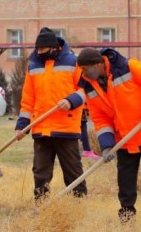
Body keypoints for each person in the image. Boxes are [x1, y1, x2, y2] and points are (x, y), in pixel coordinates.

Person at [76, 47, 141, 232]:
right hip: (123, 139)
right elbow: (100, 119)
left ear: (98, 64)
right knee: (125, 183)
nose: (82, 73)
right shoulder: (90, 87)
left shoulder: (127, 67)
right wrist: (107, 146)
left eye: (84, 69)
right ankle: (127, 221)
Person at [15, 27, 87, 202]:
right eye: (37, 49)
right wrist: (22, 125)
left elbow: (86, 90)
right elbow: (28, 99)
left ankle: (79, 206)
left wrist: (71, 101)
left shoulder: (73, 62)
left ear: (53, 47)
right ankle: (41, 207)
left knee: (73, 172)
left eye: (42, 49)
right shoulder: (33, 66)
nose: (38, 52)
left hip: (66, 128)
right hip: (41, 129)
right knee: (40, 174)